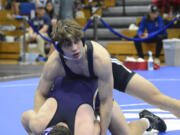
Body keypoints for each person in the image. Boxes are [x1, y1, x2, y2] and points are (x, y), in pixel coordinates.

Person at [22, 77, 166, 135]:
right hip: (78, 87)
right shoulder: (36, 123)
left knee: (125, 134)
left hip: (100, 97)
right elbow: (24, 117)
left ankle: (147, 121)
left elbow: (101, 125)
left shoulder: (84, 130)